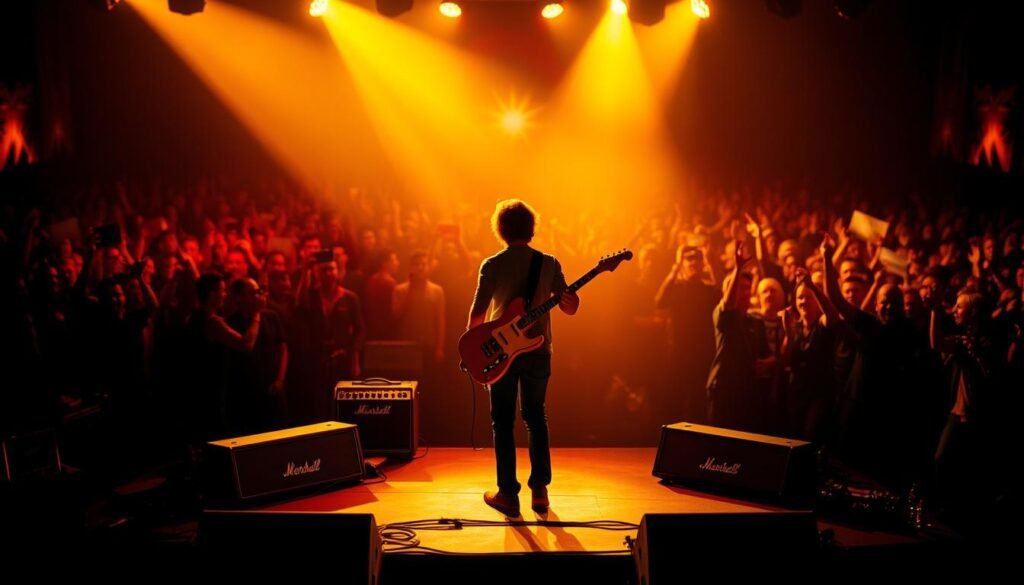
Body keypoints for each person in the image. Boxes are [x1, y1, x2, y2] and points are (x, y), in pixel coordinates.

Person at [467, 199, 579, 517]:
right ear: (532, 228)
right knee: (535, 417)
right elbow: (570, 307)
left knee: (502, 422)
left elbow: (477, 316)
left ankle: (507, 494)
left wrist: (474, 350)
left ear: (500, 229)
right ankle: (539, 491)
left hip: (499, 353)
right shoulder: (550, 263)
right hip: (538, 352)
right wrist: (571, 298)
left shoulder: (491, 264)